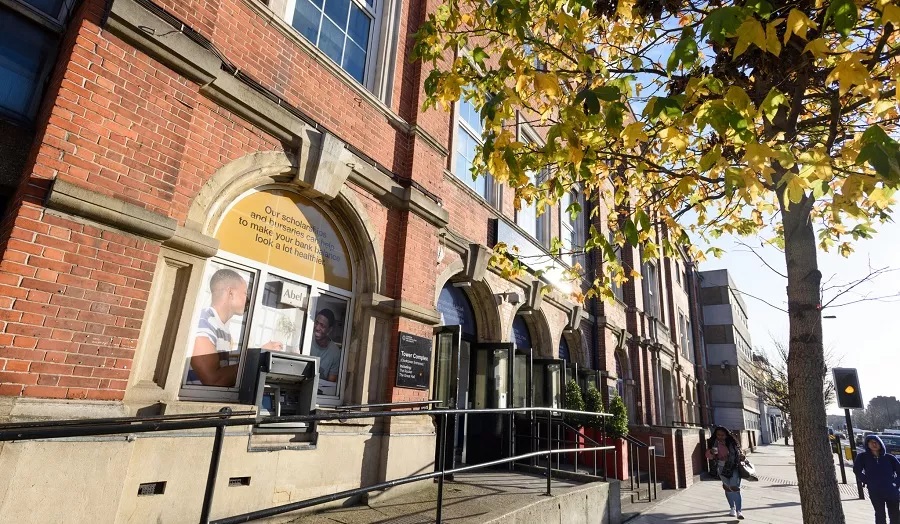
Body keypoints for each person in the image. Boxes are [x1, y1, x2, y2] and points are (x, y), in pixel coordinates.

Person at [188, 268, 282, 386]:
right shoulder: (203, 324)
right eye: (244, 293)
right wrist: (259, 358)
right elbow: (212, 379)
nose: (248, 299)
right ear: (230, 292)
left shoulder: (222, 329)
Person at [854, 434, 900, 524]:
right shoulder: (863, 457)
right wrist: (867, 481)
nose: (874, 444)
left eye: (876, 442)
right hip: (875, 492)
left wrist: (895, 484)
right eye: (871, 443)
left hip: (891, 491)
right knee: (880, 515)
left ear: (880, 444)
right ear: (867, 444)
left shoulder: (889, 458)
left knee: (895, 515)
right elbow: (857, 470)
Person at [705, 425, 746, 519]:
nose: (720, 437)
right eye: (718, 435)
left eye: (722, 435)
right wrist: (711, 452)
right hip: (721, 467)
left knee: (734, 488)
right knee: (727, 488)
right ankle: (732, 508)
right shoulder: (713, 443)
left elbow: (739, 452)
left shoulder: (732, 442)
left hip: (734, 467)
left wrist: (742, 456)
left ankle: (739, 511)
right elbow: (708, 456)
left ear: (726, 435)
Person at [311, 308, 341, 383]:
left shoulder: (335, 352)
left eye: (322, 326)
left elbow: (330, 384)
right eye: (316, 323)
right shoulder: (307, 340)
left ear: (329, 330)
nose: (317, 328)